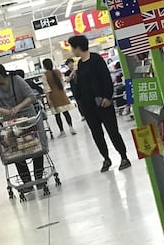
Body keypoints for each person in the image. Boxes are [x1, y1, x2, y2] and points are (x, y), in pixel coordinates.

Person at [68, 35, 131, 172]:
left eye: (72, 47)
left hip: (103, 103)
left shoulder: (96, 59)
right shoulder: (80, 64)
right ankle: (106, 158)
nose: (71, 50)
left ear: (78, 47)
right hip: (88, 106)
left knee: (112, 131)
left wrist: (108, 97)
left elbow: (106, 79)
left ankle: (124, 156)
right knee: (97, 134)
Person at [0, 64, 46, 192]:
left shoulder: (17, 80)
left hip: (28, 119)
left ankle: (39, 177)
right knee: (16, 151)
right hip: (10, 123)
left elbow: (31, 96)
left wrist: (17, 108)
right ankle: (26, 182)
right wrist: (5, 111)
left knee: (35, 147)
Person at [42, 59, 76, 137]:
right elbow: (63, 83)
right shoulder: (58, 72)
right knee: (66, 113)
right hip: (62, 94)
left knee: (57, 115)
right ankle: (71, 128)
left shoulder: (45, 75)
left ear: (44, 66)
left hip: (53, 96)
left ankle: (62, 132)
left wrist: (48, 99)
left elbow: (47, 88)